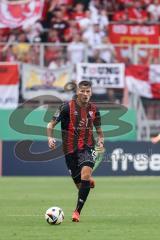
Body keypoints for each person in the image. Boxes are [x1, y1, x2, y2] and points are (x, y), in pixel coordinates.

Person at [47, 80, 104, 222]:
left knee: (85, 174)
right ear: (77, 92)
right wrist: (50, 138)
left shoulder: (95, 110)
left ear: (91, 93)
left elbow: (99, 131)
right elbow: (51, 124)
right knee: (81, 185)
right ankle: (87, 181)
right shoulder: (66, 107)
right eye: (82, 91)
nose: (85, 94)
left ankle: (77, 212)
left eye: (88, 91)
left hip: (88, 146)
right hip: (69, 150)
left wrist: (101, 140)